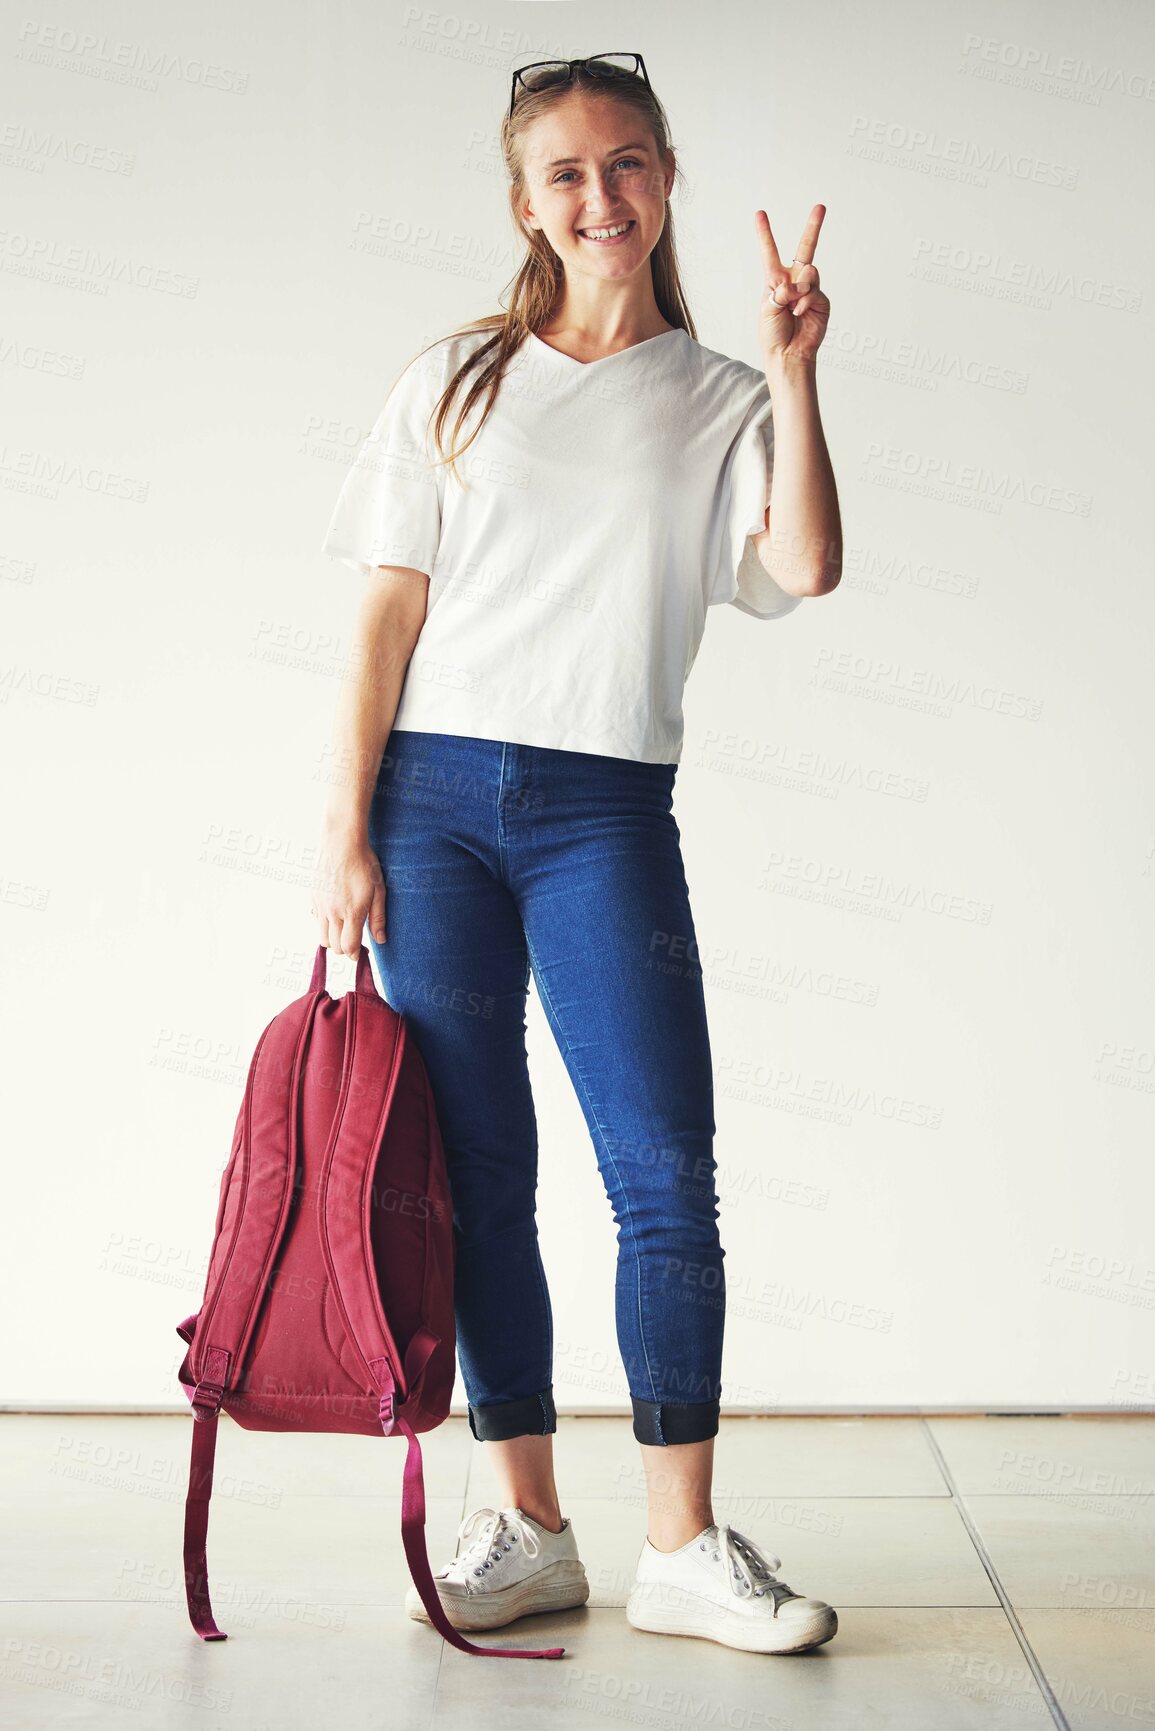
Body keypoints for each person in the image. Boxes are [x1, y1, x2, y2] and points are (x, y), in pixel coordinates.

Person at [312, 52, 842, 1657]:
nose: (599, 198)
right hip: (435, 804)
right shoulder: (457, 379)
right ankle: (525, 1522)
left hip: (607, 808)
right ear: (524, 202)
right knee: (480, 1181)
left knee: (663, 1178)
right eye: (565, 174)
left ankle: (679, 1544)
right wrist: (345, 831)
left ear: (667, 178)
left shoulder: (721, 397)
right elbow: (388, 610)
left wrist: (798, 369)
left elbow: (804, 566)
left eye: (626, 166)